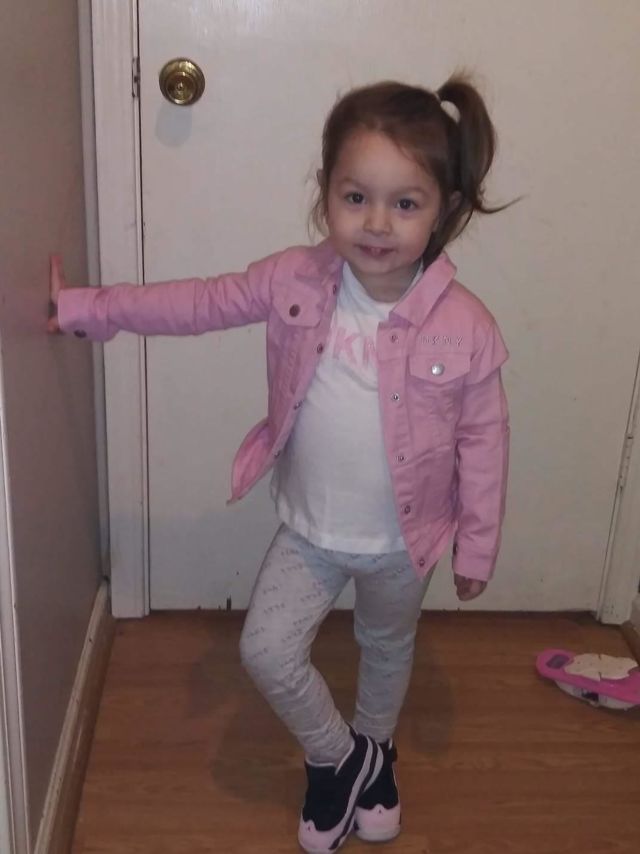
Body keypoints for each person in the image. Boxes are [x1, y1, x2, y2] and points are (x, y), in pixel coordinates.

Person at [49, 74, 510, 853]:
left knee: (386, 647)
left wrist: (477, 547)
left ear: (445, 209)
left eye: (405, 203)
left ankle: (377, 747)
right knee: (265, 649)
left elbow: (486, 440)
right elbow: (197, 303)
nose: (376, 223)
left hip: (406, 542)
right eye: (355, 196)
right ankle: (340, 758)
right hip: (309, 530)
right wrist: (90, 309)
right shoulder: (294, 279)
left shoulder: (466, 326)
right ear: (325, 194)